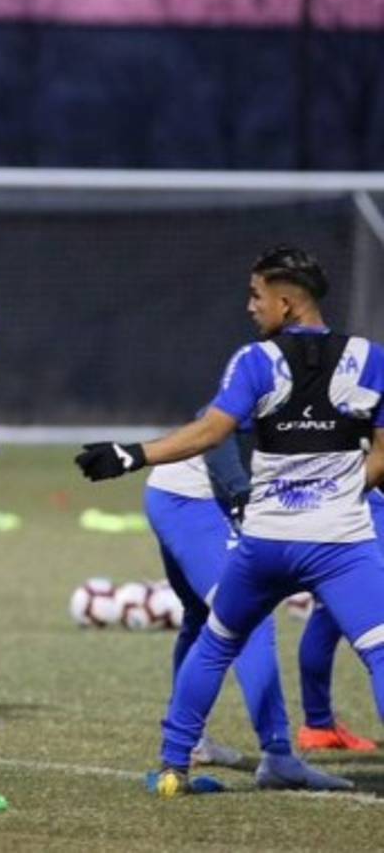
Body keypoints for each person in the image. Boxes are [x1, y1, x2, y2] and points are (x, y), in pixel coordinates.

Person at [76, 245, 384, 795]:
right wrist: (338, 494)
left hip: (266, 541)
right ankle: (276, 753)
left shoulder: (254, 361)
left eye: (256, 295)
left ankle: (174, 766)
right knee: (379, 650)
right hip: (335, 541)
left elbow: (211, 431)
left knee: (217, 640)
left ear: (286, 304)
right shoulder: (371, 358)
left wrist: (131, 454)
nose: (249, 306)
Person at [144, 438, 289, 768]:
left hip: (180, 494)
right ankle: (278, 753)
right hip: (192, 499)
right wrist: (241, 490)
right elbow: (216, 432)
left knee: (200, 616)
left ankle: (189, 742)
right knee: (250, 618)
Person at [293, 488, 384, 751]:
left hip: (335, 508)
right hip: (365, 506)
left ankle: (318, 723)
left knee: (327, 615)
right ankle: (318, 723)